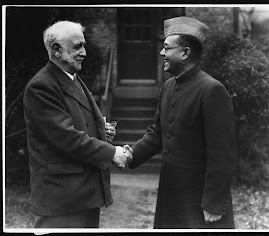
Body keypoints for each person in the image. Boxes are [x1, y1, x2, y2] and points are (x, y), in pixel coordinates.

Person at [125, 16, 237, 229]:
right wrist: (131, 154)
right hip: (171, 195)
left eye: (167, 48)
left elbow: (222, 154)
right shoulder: (167, 86)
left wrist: (213, 203)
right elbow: (158, 133)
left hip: (201, 202)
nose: (161, 53)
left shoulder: (212, 90)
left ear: (185, 53)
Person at [23, 20, 131, 228]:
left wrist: (100, 130)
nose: (84, 52)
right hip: (62, 200)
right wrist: (112, 152)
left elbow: (77, 123)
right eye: (77, 47)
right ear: (56, 50)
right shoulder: (41, 86)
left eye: (83, 45)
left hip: (83, 195)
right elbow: (67, 137)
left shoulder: (72, 78)